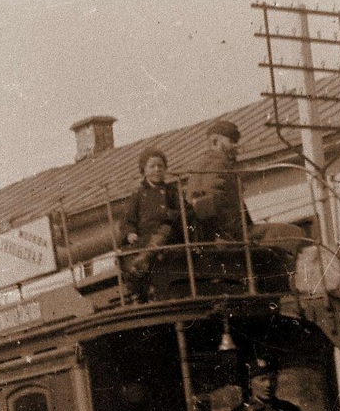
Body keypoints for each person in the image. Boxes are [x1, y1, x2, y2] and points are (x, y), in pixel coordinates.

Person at [185, 119, 305, 254]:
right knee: (293, 233)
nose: (237, 146)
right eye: (232, 141)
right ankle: (290, 273)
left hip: (228, 234)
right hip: (230, 236)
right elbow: (210, 206)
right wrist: (232, 233)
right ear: (215, 142)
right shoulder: (214, 166)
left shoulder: (210, 165)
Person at [121, 149, 184, 301]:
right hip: (145, 237)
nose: (157, 169)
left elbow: (184, 211)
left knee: (165, 231)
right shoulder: (137, 195)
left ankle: (144, 259)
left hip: (168, 235)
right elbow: (127, 220)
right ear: (144, 170)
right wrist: (130, 233)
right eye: (152, 166)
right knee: (128, 256)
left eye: (160, 166)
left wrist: (171, 214)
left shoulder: (172, 191)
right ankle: (137, 285)